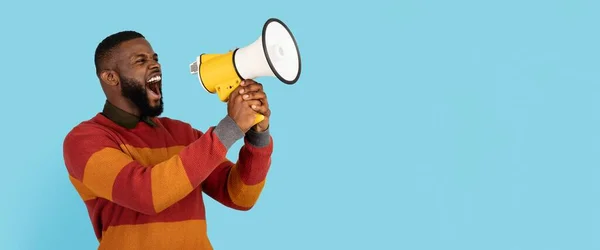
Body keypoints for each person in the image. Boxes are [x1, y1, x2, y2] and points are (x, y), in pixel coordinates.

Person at [62, 30, 274, 250]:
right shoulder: (83, 140)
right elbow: (146, 194)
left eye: (155, 59)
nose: (155, 65)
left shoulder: (182, 133)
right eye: (141, 60)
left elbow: (240, 196)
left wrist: (258, 134)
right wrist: (230, 128)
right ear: (110, 77)